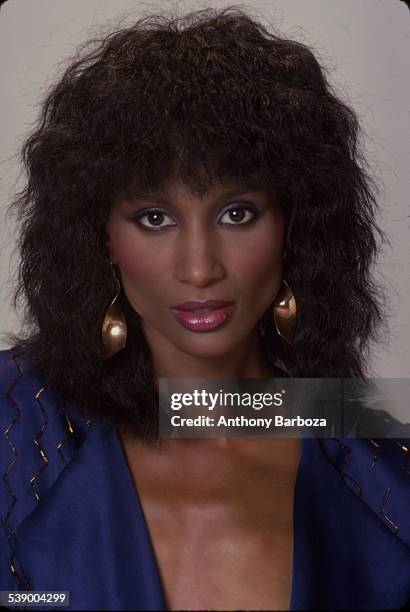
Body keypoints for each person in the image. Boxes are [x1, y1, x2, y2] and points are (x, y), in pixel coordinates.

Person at [1, 7, 409, 611]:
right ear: (102, 237)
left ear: (296, 225)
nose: (199, 268)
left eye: (237, 213)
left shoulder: (383, 470)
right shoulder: (14, 423)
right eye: (154, 218)